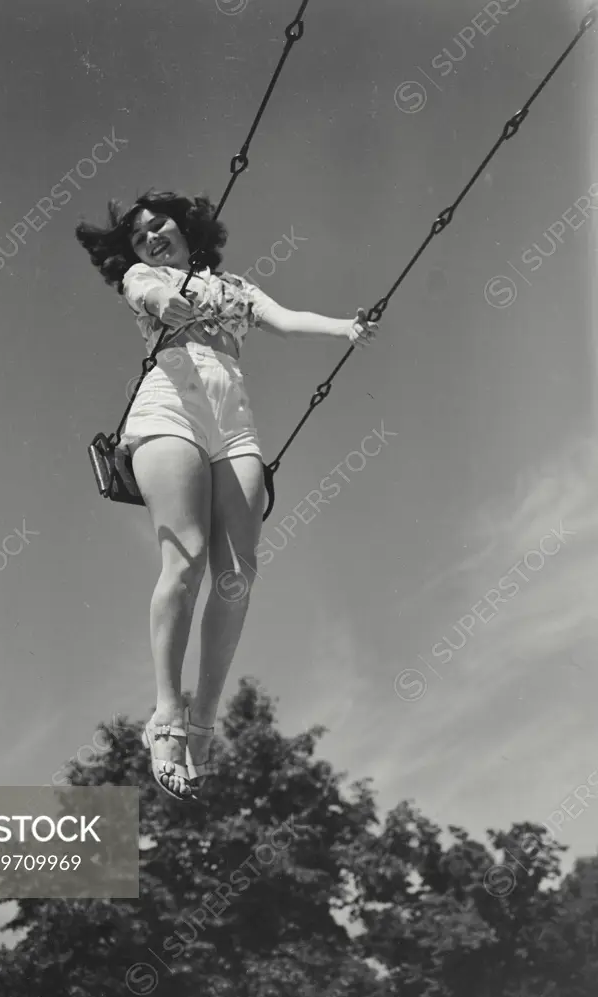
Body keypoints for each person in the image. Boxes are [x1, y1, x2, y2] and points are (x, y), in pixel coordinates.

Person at [75, 190, 378, 801]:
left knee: (238, 576)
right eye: (138, 236)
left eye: (157, 226)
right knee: (184, 560)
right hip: (169, 405)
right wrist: (170, 298)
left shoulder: (236, 286)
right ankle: (165, 715)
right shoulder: (145, 276)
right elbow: (151, 297)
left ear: (185, 226)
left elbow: (287, 321)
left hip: (233, 420)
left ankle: (203, 720)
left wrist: (348, 328)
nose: (150, 239)